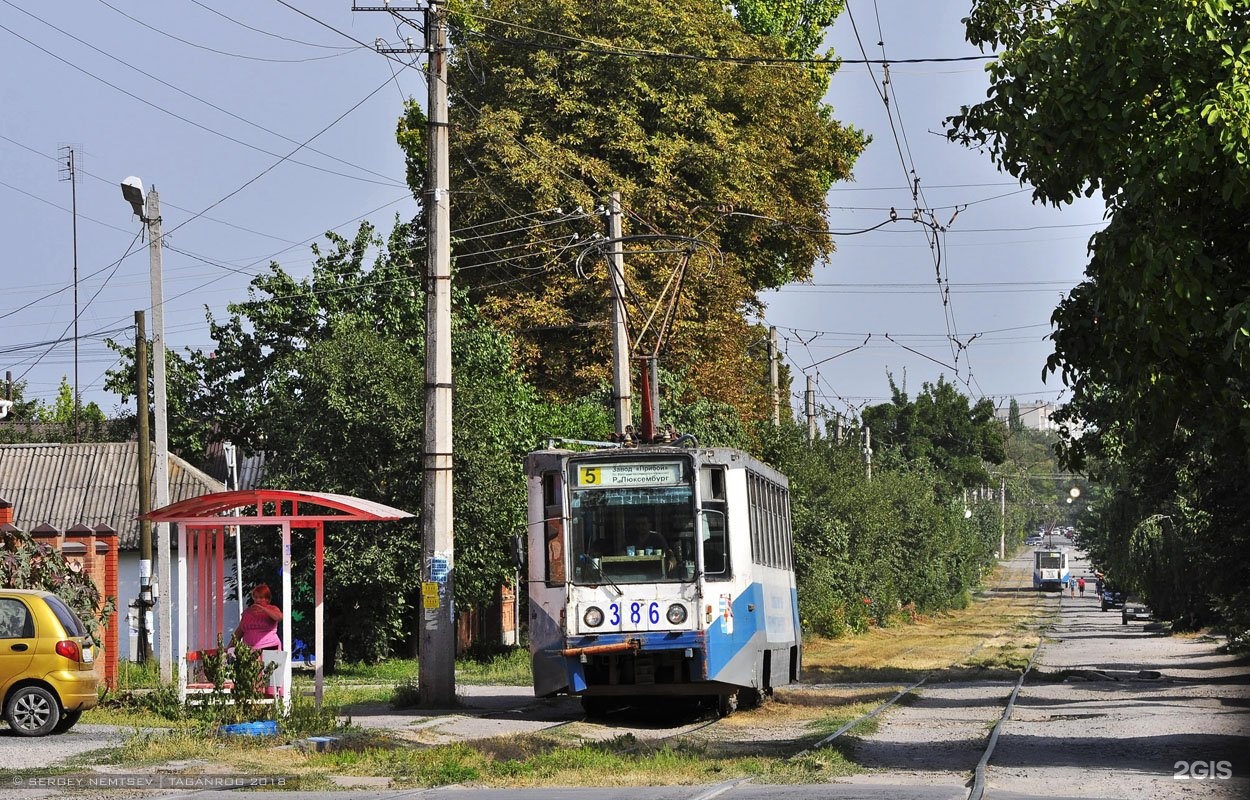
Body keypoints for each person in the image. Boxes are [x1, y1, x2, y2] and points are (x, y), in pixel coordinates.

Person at [231, 584, 282, 651]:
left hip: (269, 647)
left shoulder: (272, 609)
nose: (258, 600)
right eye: (255, 597)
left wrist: (263, 608)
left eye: (261, 598)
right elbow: (239, 631)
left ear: (267, 599)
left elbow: (279, 617)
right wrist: (229, 647)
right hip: (249, 649)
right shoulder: (247, 612)